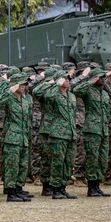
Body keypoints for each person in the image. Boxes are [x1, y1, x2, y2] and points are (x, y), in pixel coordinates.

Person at [34, 67, 81, 199]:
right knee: (54, 161)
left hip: (70, 132)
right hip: (56, 132)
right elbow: (40, 93)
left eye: (68, 79)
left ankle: (62, 187)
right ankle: (53, 187)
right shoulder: (53, 93)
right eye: (64, 79)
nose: (67, 81)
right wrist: (54, 83)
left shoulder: (71, 96)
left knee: (68, 162)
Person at [72, 65, 111, 197]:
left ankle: (98, 185)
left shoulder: (105, 93)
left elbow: (108, 111)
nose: (103, 79)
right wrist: (90, 81)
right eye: (100, 77)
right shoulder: (88, 90)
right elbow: (76, 90)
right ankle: (91, 187)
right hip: (92, 130)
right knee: (92, 159)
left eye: (103, 77)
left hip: (103, 130)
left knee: (103, 159)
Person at [0, 71, 32, 202]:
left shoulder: (26, 99)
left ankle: (18, 189)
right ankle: (10, 192)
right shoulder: (9, 97)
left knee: (22, 165)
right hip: (12, 137)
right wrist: (10, 91)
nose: (24, 86)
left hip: (23, 136)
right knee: (12, 165)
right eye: (22, 84)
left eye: (25, 84)